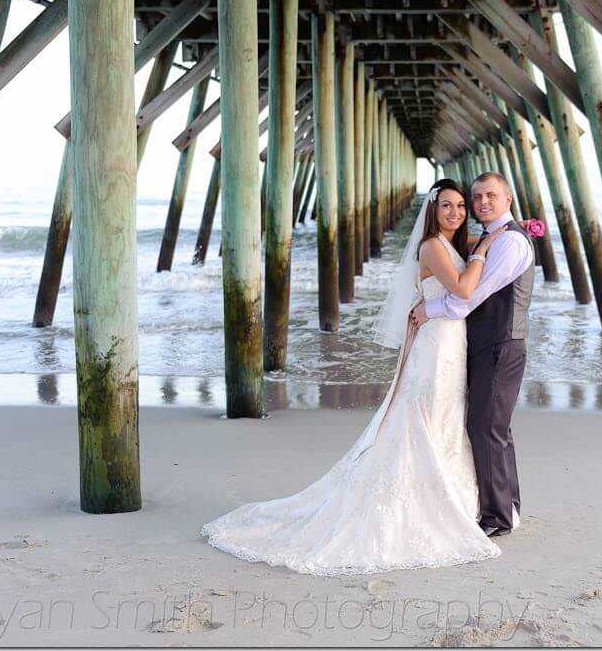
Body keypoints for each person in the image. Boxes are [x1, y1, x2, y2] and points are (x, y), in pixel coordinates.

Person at [200, 178, 508, 575]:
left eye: (461, 206)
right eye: (447, 205)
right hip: (436, 348)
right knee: (426, 418)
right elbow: (465, 290)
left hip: (451, 343)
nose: (456, 212)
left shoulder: (453, 246)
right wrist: (485, 249)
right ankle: (423, 499)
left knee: (447, 417)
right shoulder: (433, 245)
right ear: (433, 210)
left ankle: (453, 496)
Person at [410, 171, 535, 537]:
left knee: (485, 429)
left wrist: (428, 311)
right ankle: (507, 506)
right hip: (486, 344)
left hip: (501, 344)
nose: (481, 203)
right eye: (476, 197)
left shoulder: (510, 243)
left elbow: (472, 296)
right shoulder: (490, 238)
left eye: (489, 196)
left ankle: (497, 517)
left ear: (507, 199)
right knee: (494, 428)